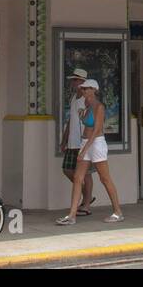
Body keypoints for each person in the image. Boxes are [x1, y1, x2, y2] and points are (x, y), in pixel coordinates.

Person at [55, 79, 124, 225]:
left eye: (86, 89)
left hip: (96, 144)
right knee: (78, 178)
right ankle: (72, 215)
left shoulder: (99, 107)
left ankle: (117, 211)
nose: (83, 91)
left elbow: (97, 130)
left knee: (105, 179)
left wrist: (83, 150)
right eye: (82, 88)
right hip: (85, 142)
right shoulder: (86, 104)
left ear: (93, 90)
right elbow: (84, 124)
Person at [60, 68, 95, 216]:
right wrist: (64, 139)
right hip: (73, 142)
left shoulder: (87, 100)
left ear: (82, 81)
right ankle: (84, 193)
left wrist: (87, 142)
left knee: (85, 173)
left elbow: (92, 122)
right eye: (72, 80)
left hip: (83, 142)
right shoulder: (74, 98)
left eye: (75, 80)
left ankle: (86, 203)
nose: (73, 83)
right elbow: (71, 120)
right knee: (68, 169)